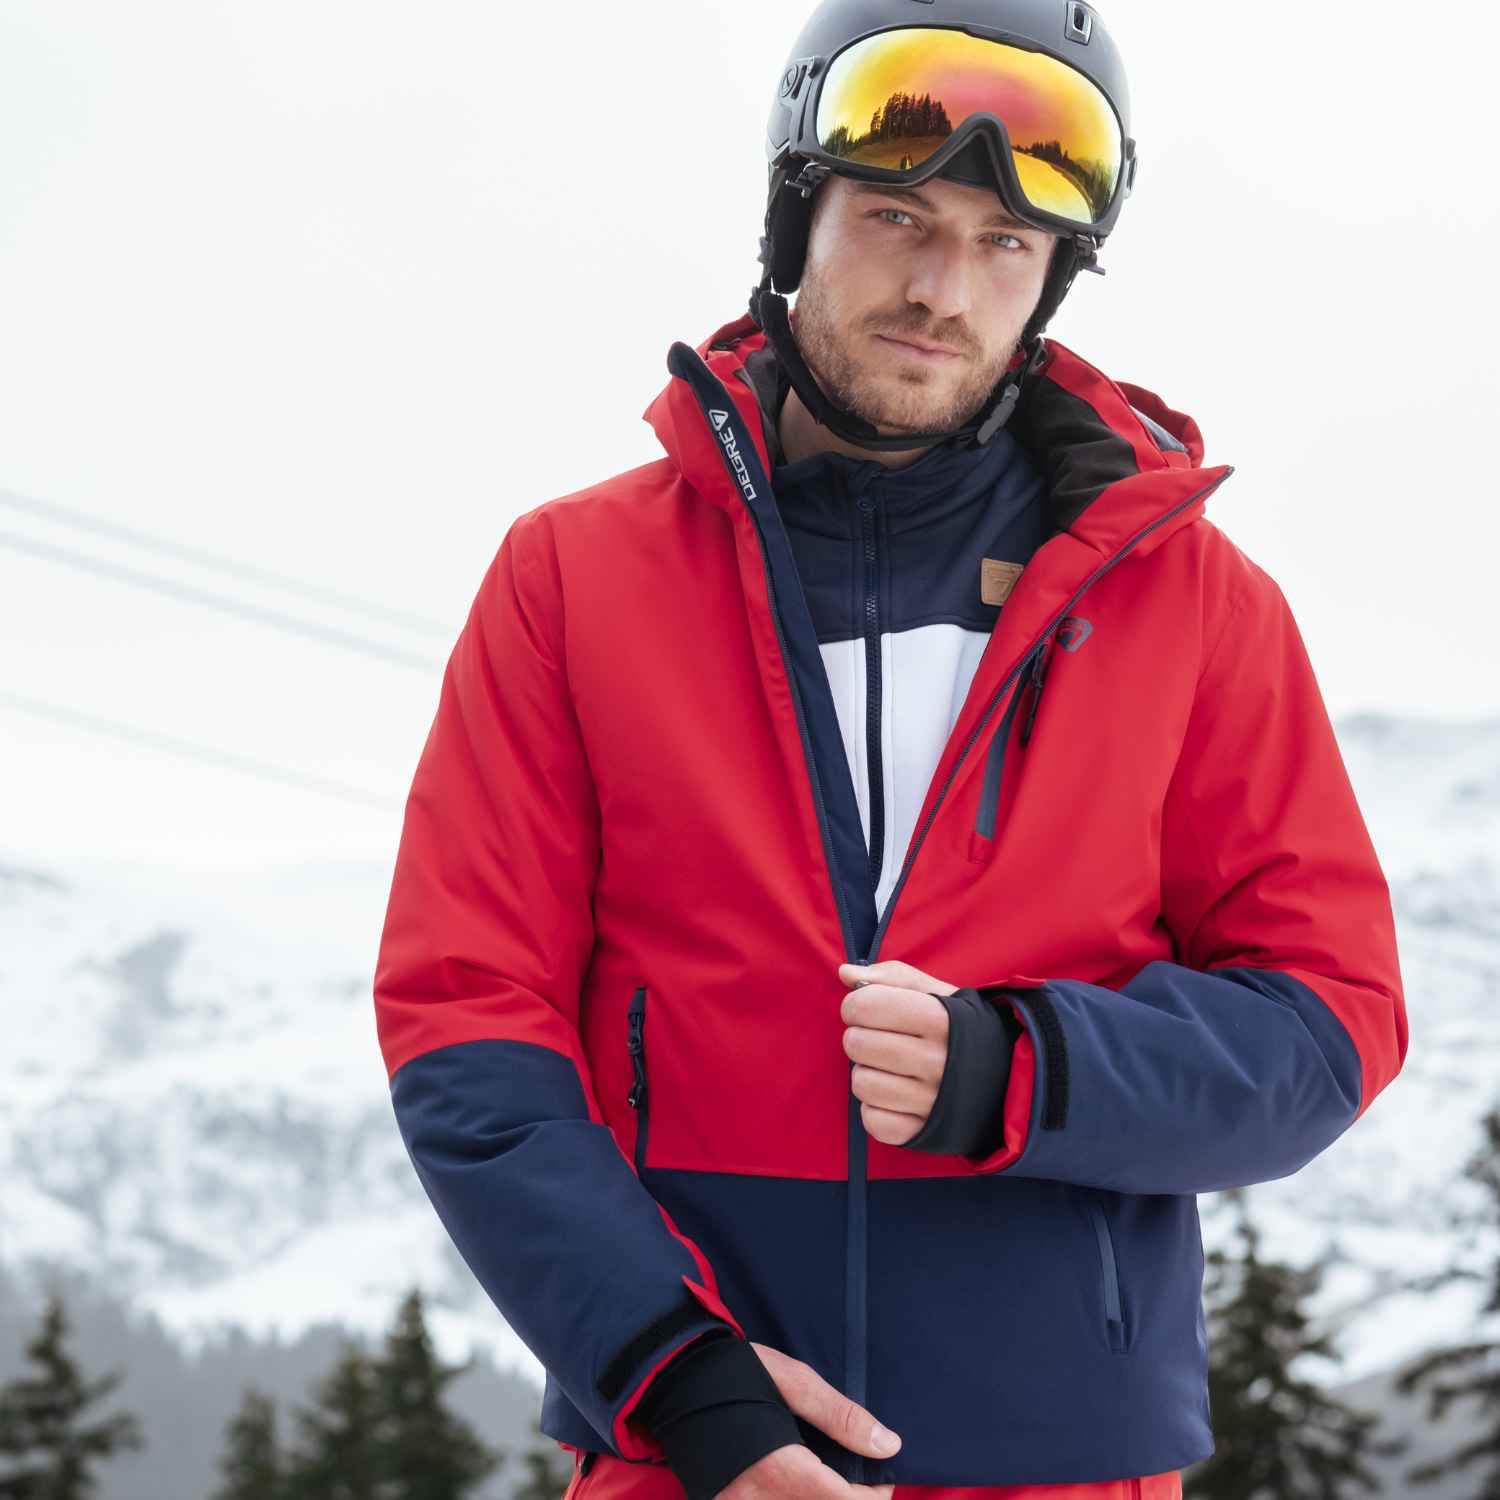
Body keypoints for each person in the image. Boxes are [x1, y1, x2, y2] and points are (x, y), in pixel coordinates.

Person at [372, 3, 1408, 1499]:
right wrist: (680, 1381)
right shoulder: (573, 578)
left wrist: (1029, 1071)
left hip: (1071, 1466)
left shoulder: (1190, 605)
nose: (940, 287)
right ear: (800, 219)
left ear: (1051, 280)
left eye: (1003, 245)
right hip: (694, 1453)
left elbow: (1329, 1021)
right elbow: (467, 1019)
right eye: (897, 216)